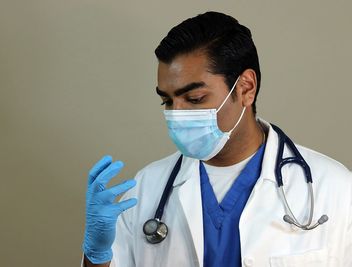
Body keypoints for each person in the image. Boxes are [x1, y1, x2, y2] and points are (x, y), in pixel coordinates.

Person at [81, 11, 352, 267]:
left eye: (195, 99)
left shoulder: (334, 188)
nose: (177, 114)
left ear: (246, 88)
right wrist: (96, 255)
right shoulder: (144, 189)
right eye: (167, 101)